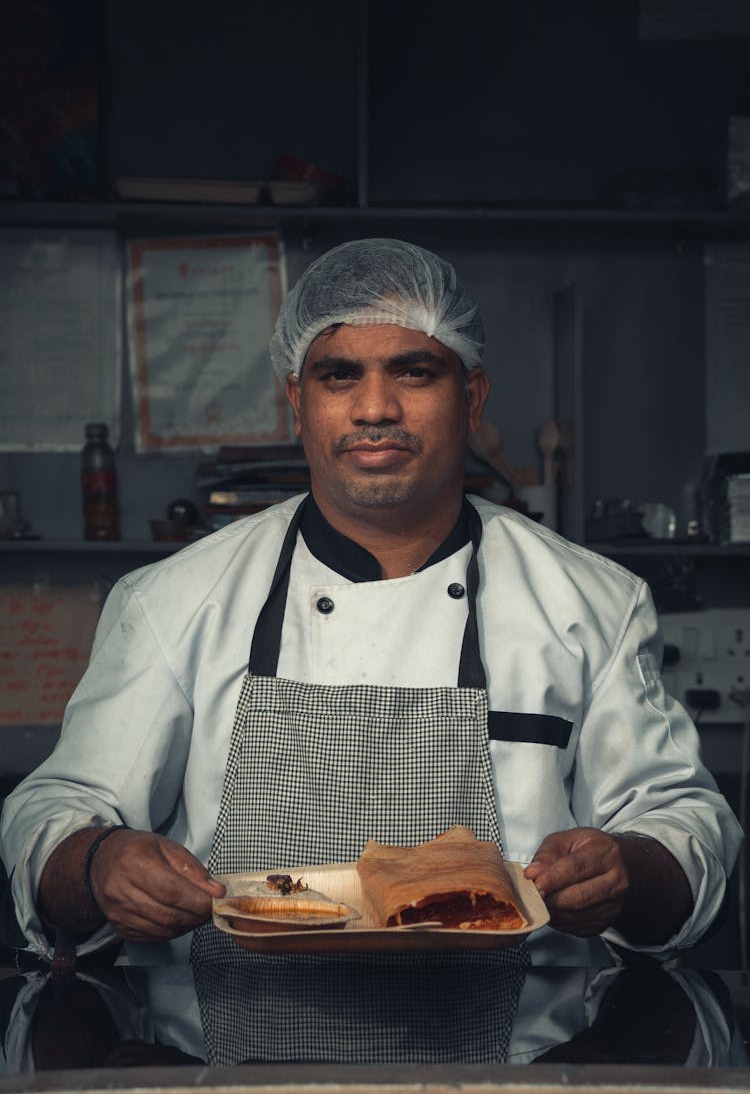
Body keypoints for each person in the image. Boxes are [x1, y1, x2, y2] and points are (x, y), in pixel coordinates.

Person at [0, 238, 742, 983]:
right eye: (339, 374)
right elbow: (55, 809)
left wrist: (628, 869)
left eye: (414, 371)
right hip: (222, 1066)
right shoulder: (173, 600)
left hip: (522, 1064)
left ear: (473, 396)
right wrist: (98, 861)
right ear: (297, 400)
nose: (376, 407)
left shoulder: (592, 604)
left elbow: (686, 827)